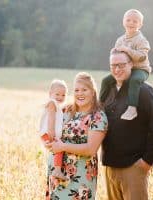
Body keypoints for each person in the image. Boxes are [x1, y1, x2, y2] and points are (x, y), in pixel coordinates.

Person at [100, 49, 153, 200]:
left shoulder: (145, 91)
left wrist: (148, 160)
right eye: (113, 65)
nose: (117, 69)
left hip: (133, 167)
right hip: (110, 165)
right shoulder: (108, 90)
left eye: (121, 65)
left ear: (131, 64)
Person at [45, 72, 108, 200]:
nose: (80, 93)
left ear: (93, 92)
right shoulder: (66, 111)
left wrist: (62, 147)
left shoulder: (97, 117)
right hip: (57, 174)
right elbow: (52, 128)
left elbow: (91, 149)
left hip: (80, 178)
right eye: (77, 90)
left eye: (84, 90)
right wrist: (49, 141)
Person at [100, 9, 152, 120]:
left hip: (139, 69)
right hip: (124, 69)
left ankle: (132, 107)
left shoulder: (141, 40)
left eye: (135, 21)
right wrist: (113, 52)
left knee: (134, 80)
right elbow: (116, 55)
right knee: (106, 80)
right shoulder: (120, 40)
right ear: (123, 22)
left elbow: (142, 56)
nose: (131, 23)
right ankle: (100, 105)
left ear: (140, 24)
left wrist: (127, 50)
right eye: (128, 20)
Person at [40, 79, 68, 180]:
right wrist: (52, 135)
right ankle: (57, 170)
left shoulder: (57, 104)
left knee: (58, 150)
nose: (60, 97)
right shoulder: (52, 103)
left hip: (48, 132)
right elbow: (51, 120)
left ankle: (57, 170)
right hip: (49, 132)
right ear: (50, 94)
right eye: (57, 94)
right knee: (59, 148)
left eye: (63, 95)